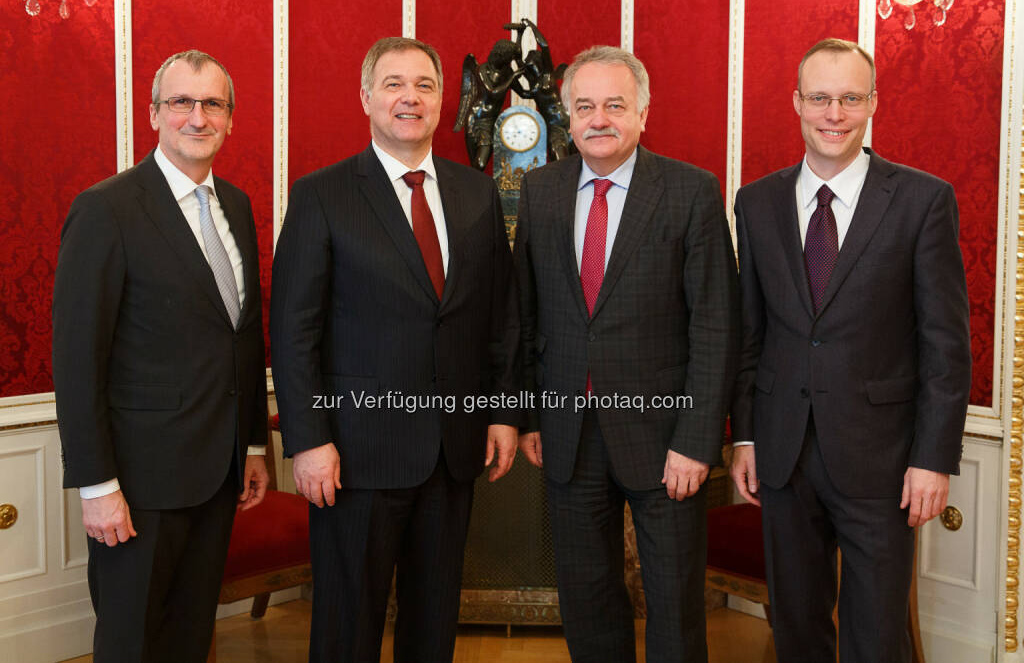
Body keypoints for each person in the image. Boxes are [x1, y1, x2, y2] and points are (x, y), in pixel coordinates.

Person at [269, 37, 520, 663]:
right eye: (393, 84)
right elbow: (293, 329)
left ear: (443, 102)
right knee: (347, 624)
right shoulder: (322, 194)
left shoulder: (475, 193)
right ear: (366, 98)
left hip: (452, 451)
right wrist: (307, 439)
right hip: (353, 454)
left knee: (433, 622)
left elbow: (501, 317)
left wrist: (504, 411)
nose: (410, 97)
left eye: (425, 85)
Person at [730, 38, 971, 662]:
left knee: (876, 636)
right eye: (819, 98)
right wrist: (747, 438)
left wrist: (934, 459)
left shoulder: (922, 200)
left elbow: (946, 346)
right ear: (797, 103)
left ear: (871, 104)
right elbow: (749, 333)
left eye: (849, 98)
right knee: (796, 629)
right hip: (782, 457)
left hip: (885, 463)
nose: (833, 113)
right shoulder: (755, 203)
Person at [514, 45, 740, 663]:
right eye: (584, 106)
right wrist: (531, 416)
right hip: (569, 433)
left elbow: (717, 327)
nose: (599, 118)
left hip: (665, 439)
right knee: (586, 601)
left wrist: (697, 441)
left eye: (615, 104)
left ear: (643, 112)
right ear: (567, 116)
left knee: (672, 604)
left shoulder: (691, 192)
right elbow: (525, 315)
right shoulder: (541, 191)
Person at [52, 49, 270, 662]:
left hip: (219, 473)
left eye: (213, 104)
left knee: (190, 636)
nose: (197, 117)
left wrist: (253, 443)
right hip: (138, 483)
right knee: (131, 642)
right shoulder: (107, 209)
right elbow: (76, 359)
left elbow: (243, 336)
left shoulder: (236, 205)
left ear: (229, 118)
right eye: (181, 102)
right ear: (153, 114)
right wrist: (96, 485)